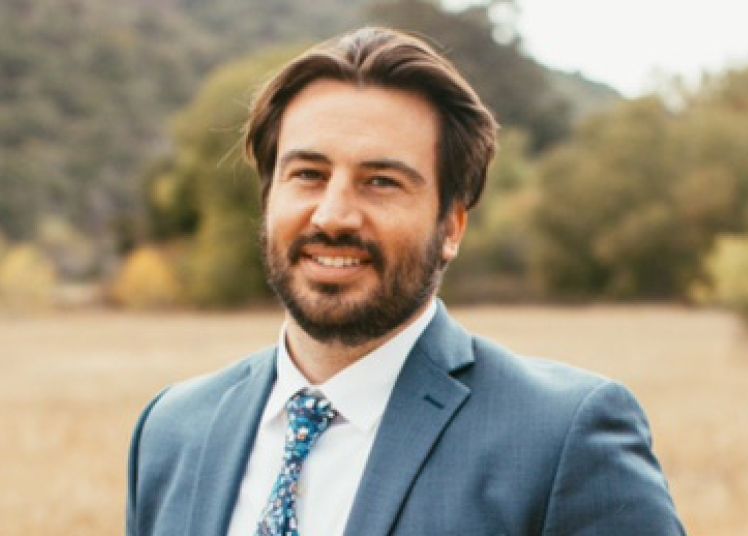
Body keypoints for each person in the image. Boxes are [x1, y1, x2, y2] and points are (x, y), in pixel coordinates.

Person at [126, 27, 686, 536]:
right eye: (308, 174)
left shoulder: (563, 439)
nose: (333, 216)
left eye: (381, 182)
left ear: (452, 226)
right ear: (269, 198)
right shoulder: (171, 431)